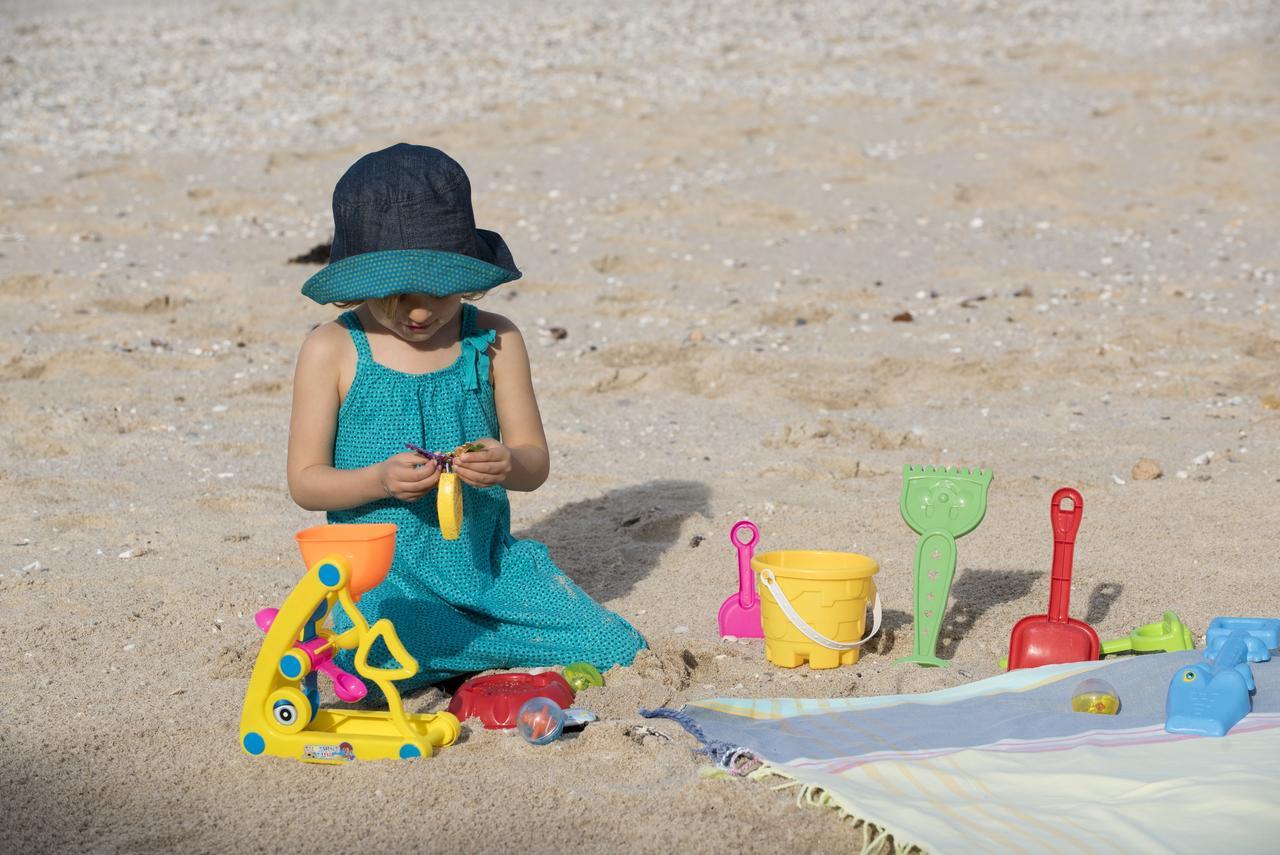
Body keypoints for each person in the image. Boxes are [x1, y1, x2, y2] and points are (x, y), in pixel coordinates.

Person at [287, 143, 645, 691]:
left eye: (441, 290)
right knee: (371, 667)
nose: (420, 311)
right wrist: (378, 479)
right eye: (395, 294)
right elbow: (306, 484)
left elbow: (534, 464)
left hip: (487, 570)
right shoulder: (333, 349)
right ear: (359, 282)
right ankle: (460, 659)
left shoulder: (495, 338)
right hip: (389, 581)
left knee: (617, 645)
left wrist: (505, 463)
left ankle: (469, 657)